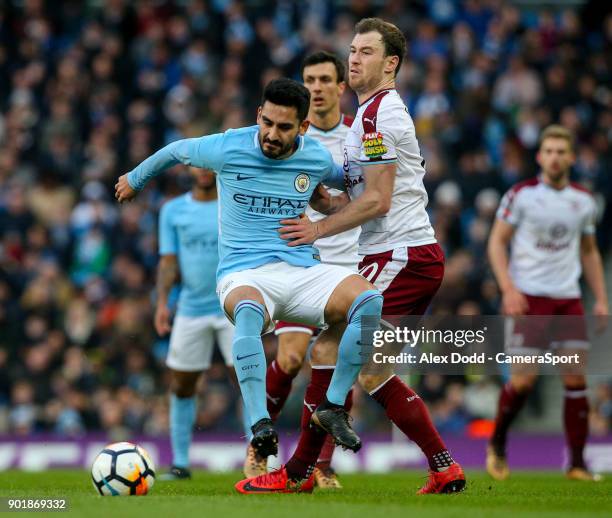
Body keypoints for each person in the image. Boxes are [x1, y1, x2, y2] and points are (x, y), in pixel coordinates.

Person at [115, 78, 383, 486]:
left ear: (303, 128)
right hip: (244, 273)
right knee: (246, 313)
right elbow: (174, 151)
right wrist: (135, 177)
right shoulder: (228, 146)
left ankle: (331, 407)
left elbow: (353, 186)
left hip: (302, 269)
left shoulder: (314, 158)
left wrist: (335, 210)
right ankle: (260, 426)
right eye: (268, 123)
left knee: (370, 302)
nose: (273, 134)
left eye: (285, 127)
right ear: (258, 115)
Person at [238, 18, 465, 495]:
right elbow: (358, 189)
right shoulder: (372, 114)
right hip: (407, 255)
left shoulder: (380, 115)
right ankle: (444, 467)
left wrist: (318, 228)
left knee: (327, 350)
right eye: (353, 50)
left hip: (398, 253)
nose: (354, 59)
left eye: (365, 52)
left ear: (391, 63)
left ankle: (299, 470)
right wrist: (314, 191)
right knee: (371, 369)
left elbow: (378, 200)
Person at [243, 51, 360, 489]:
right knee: (291, 357)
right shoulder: (291, 135)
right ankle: (259, 445)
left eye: (324, 79)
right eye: (309, 79)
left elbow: (374, 195)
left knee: (334, 359)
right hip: (299, 263)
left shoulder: (357, 139)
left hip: (347, 265)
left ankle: (320, 463)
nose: (315, 86)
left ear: (340, 86)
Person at [486, 125, 608, 482]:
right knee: (523, 382)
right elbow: (496, 243)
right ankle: (497, 442)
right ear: (540, 157)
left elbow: (589, 251)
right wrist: (508, 288)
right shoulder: (521, 195)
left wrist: (600, 298)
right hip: (529, 299)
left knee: (575, 380)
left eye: (561, 151)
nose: (555, 157)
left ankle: (577, 464)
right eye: (549, 150)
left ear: (571, 157)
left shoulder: (584, 201)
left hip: (567, 300)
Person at [155, 166, 235, 481]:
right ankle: (180, 463)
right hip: (190, 308)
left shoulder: (234, 203)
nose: (203, 170)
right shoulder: (172, 210)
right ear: (189, 168)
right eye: (197, 164)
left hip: (231, 305)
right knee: (182, 384)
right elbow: (168, 261)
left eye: (208, 164)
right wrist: (163, 303)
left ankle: (261, 460)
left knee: (247, 383)